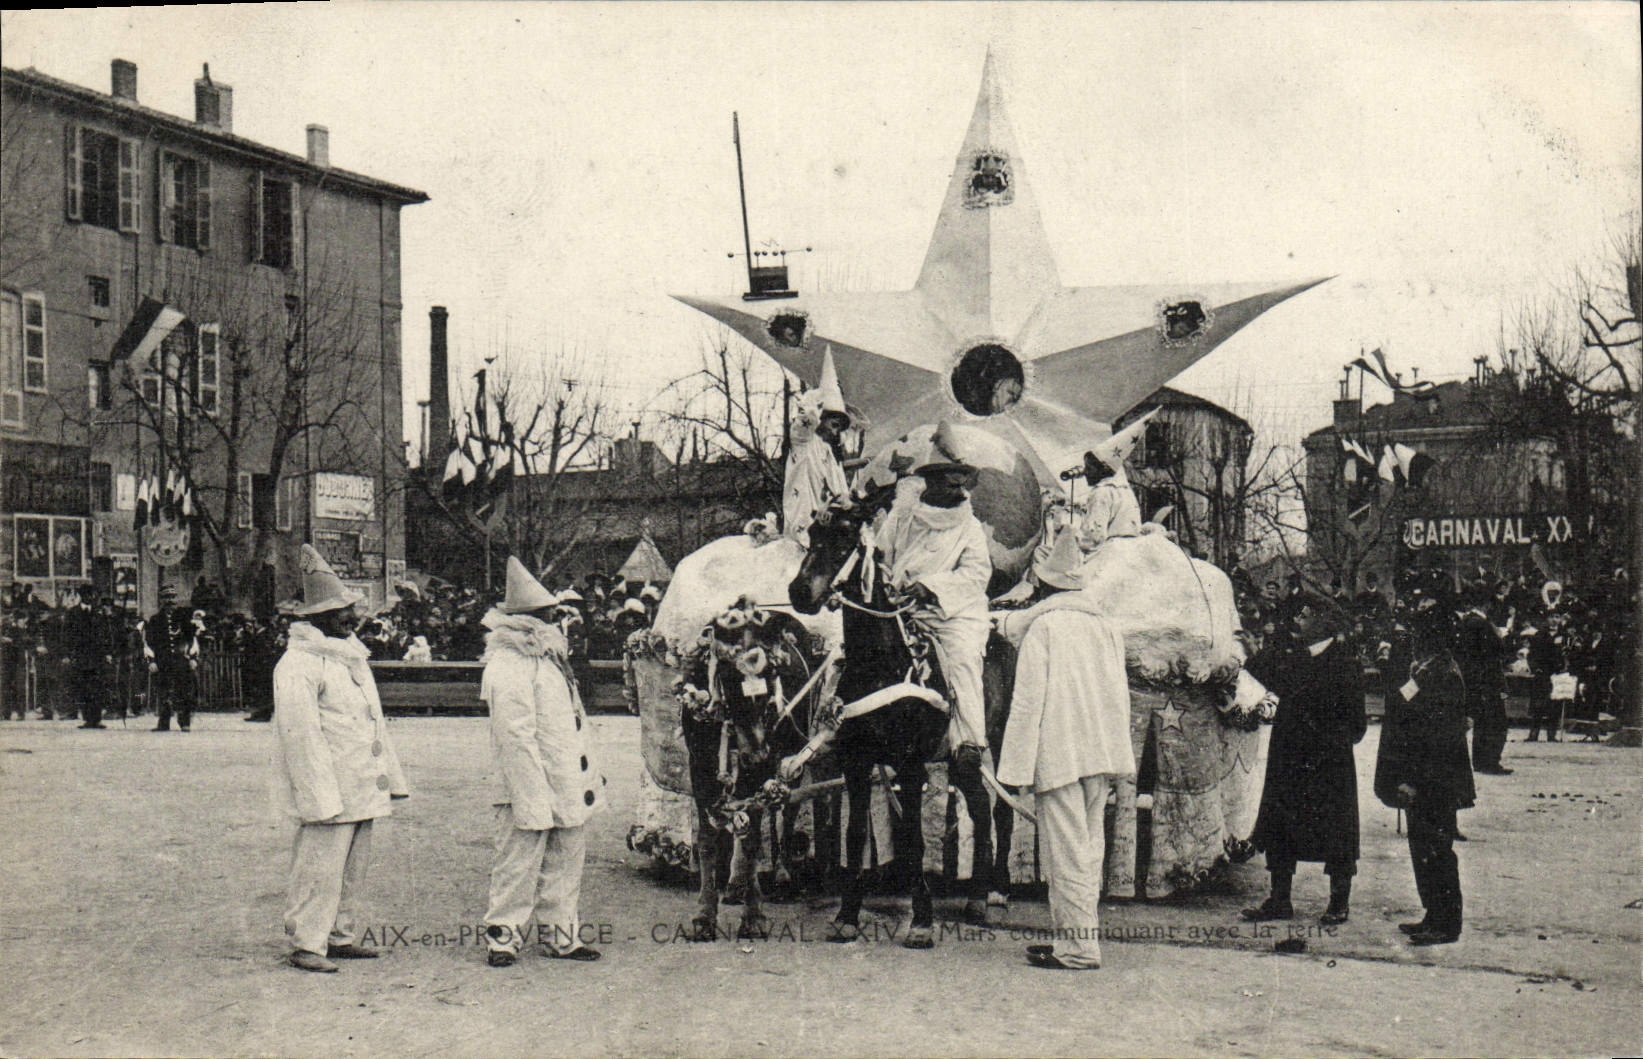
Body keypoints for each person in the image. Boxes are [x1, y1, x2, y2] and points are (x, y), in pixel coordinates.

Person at [996, 531, 1133, 970]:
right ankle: (1074, 939)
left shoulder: (1046, 626)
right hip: (1100, 753)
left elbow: (1028, 700)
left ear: (1046, 586)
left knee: (1066, 853)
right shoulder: (1107, 626)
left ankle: (1077, 949)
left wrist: (1013, 771)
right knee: (1088, 848)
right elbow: (1119, 695)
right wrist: (1118, 755)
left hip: (1060, 753)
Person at [273, 544, 409, 972]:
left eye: (350, 609)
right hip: (329, 786)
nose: (350, 619)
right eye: (339, 613)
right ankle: (307, 941)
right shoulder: (298, 663)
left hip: (361, 781)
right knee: (319, 866)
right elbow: (301, 738)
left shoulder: (348, 655)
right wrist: (318, 796)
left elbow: (374, 722)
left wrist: (390, 776)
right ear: (314, 619)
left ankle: (339, 934)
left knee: (353, 866)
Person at [481, 557, 605, 967]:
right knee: (518, 860)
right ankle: (503, 936)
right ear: (527, 619)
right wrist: (530, 793)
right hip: (528, 780)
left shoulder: (550, 657)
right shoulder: (508, 662)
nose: (555, 618)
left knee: (567, 856)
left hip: (564, 773)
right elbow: (515, 734)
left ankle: (561, 933)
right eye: (546, 613)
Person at [1242, 592, 1367, 925]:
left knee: (1336, 833)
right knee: (1281, 829)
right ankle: (1279, 899)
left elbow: (1357, 725)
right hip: (1289, 758)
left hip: (1328, 764)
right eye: (1297, 614)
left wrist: (1324, 741)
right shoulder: (1289, 657)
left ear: (1325, 621)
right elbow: (1253, 670)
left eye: (1305, 615)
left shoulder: (1345, 663)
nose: (1297, 620)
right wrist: (1275, 641)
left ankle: (1339, 902)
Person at [875, 421, 993, 762]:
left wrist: (928, 588)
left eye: (961, 480)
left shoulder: (968, 526)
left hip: (951, 614)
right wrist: (887, 585)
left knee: (964, 659)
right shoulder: (903, 515)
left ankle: (968, 740)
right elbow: (882, 555)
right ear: (931, 480)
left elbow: (976, 574)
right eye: (949, 479)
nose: (958, 488)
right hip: (899, 609)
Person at [1374, 597, 1475, 946]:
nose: (1414, 636)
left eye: (1420, 631)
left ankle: (1446, 923)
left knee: (1436, 850)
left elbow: (1437, 739)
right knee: (1425, 850)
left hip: (1435, 780)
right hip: (1429, 778)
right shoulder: (1428, 668)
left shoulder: (1442, 674)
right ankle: (1434, 914)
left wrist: (1413, 780)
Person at [783, 347, 852, 545]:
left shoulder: (830, 452)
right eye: (834, 425)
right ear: (822, 419)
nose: (836, 432)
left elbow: (837, 489)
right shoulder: (804, 441)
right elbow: (805, 422)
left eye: (840, 428)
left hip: (826, 523)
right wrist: (816, 401)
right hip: (804, 520)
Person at [1075, 413, 1151, 554]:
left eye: (1089, 468)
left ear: (1102, 470)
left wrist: (1075, 541)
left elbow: (1093, 537)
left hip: (1112, 553)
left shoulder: (1102, 492)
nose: (1085, 472)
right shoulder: (1124, 490)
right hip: (1132, 551)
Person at [144, 586, 198, 731]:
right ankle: (164, 722)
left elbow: (191, 639)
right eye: (167, 597)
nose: (170, 601)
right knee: (163, 691)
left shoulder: (183, 619)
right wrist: (152, 661)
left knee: (184, 691)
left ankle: (185, 722)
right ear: (161, 600)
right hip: (163, 662)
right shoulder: (155, 620)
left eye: (173, 597)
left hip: (181, 660)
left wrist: (193, 658)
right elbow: (149, 642)